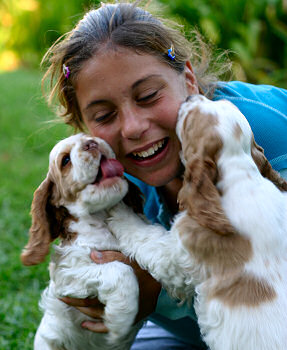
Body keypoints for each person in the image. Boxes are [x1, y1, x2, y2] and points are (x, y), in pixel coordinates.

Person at [42, 1, 287, 349]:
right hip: (196, 330)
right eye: (104, 115)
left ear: (188, 79)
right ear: (84, 127)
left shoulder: (256, 133)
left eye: (148, 96)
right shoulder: (111, 177)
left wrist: (159, 290)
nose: (133, 128)